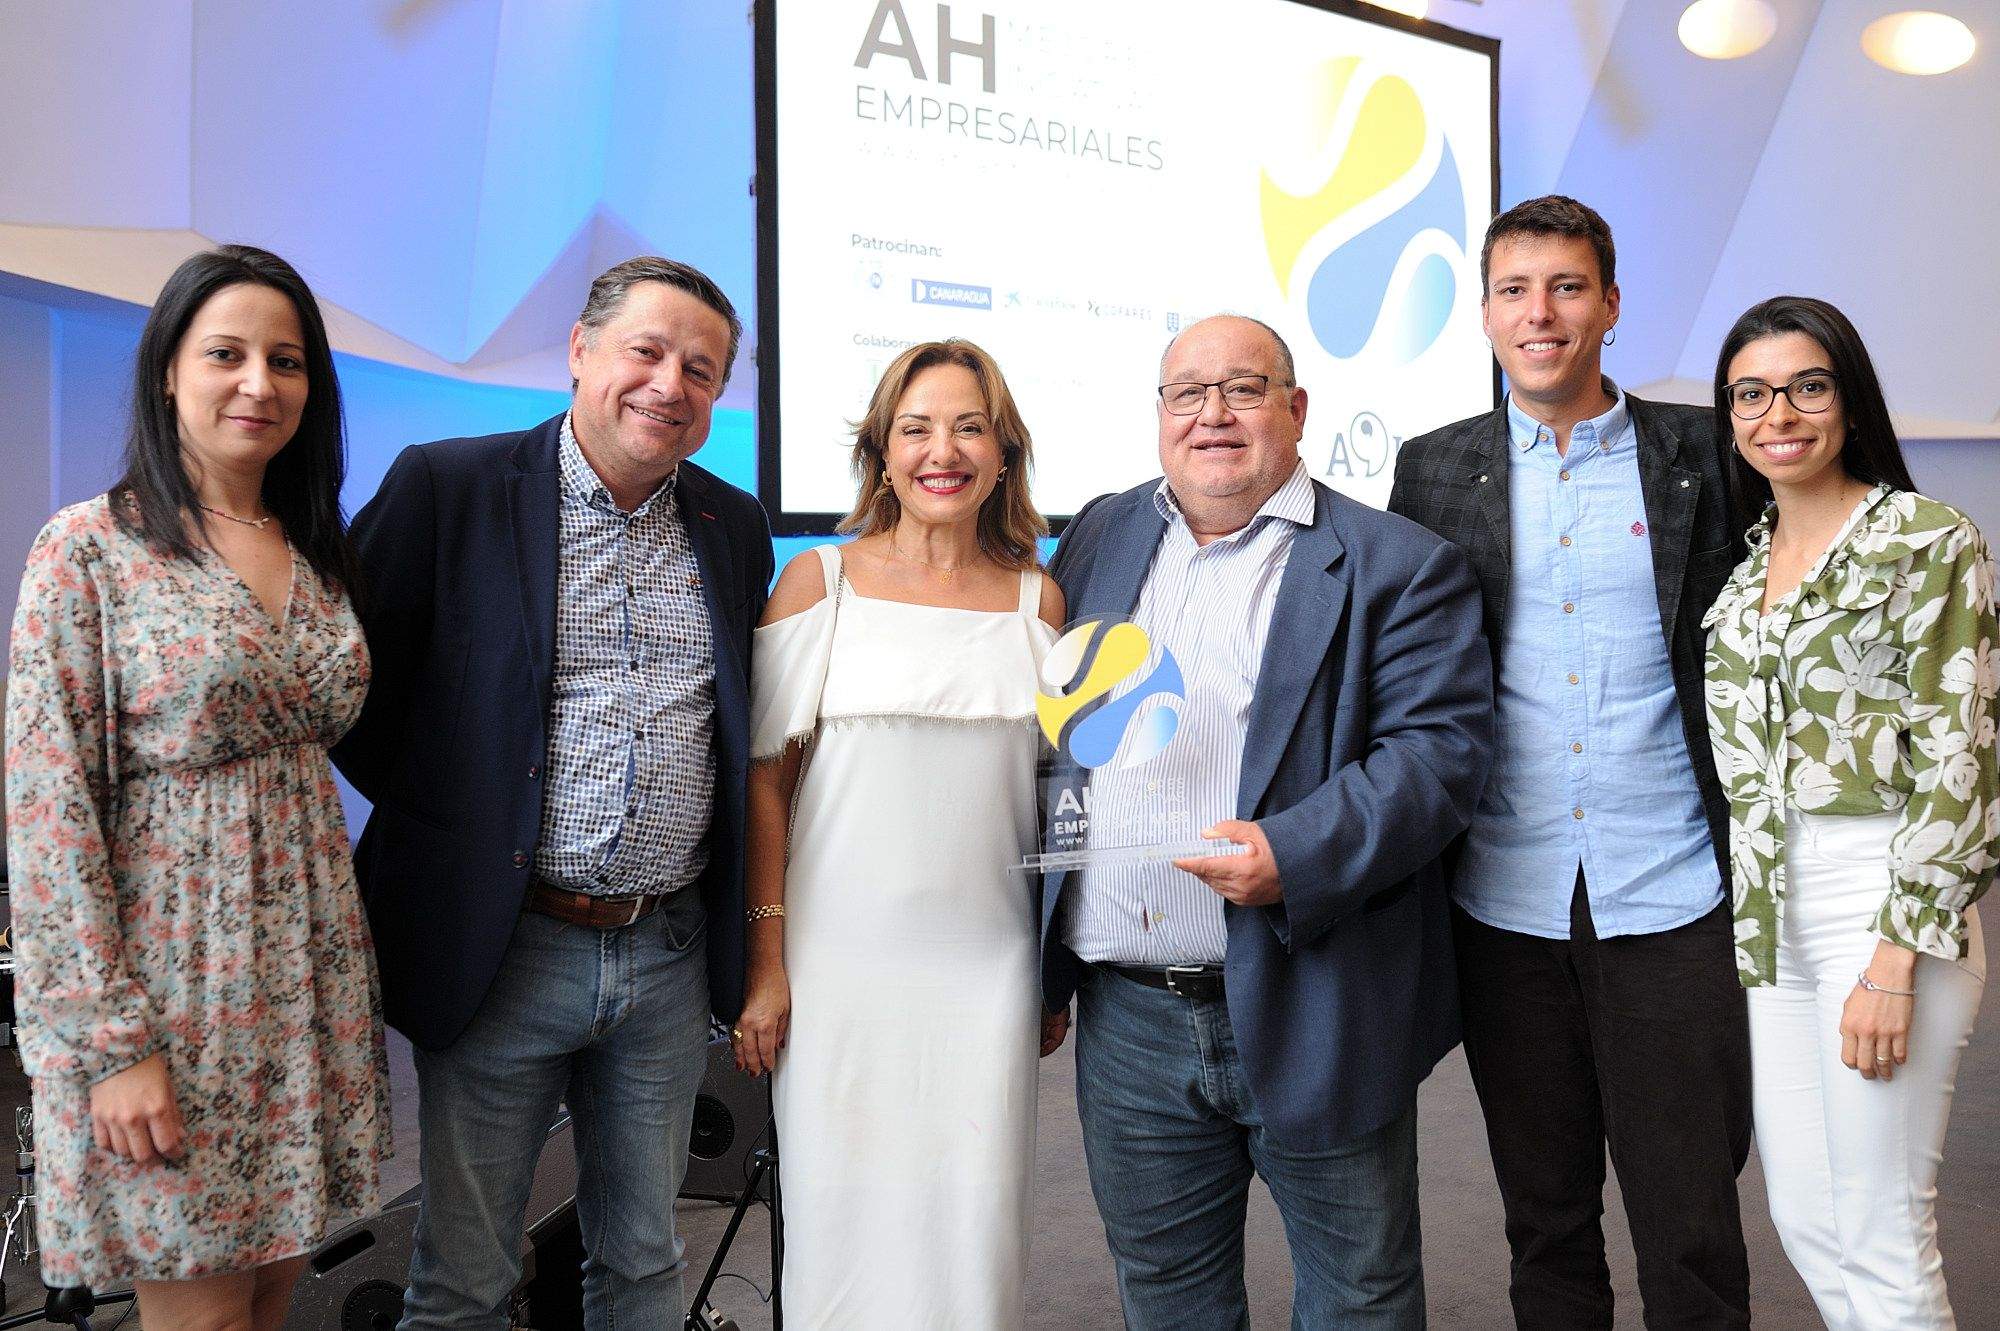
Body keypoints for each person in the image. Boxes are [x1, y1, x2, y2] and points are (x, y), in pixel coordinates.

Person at [332, 256, 771, 1330]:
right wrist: (470, 826)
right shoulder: (448, 487)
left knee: (643, 1260)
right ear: (580, 351)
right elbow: (352, 696)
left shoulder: (730, 522)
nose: (671, 384)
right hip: (503, 948)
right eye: (648, 351)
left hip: (665, 955)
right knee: (465, 1277)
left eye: (702, 369)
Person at [1040, 313, 1492, 1328]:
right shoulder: (1101, 533)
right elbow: (1058, 739)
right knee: (1165, 1296)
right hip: (1129, 1018)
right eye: (1185, 393)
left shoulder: (1393, 562)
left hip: (1314, 992)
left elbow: (1439, 754)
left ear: (1294, 410)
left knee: (1358, 1298)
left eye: (1242, 389)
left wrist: (1294, 851)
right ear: (1158, 415)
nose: (1212, 414)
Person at [4, 244, 386, 1329]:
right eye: (226, 353)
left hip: (306, 972)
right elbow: (48, 812)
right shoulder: (88, 549)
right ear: (167, 369)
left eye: (287, 360)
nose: (259, 382)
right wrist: (111, 1042)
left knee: (268, 1294)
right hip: (174, 985)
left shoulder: (313, 550)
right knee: (202, 1316)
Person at [1389, 195, 1753, 1328]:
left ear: (1607, 303)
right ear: (1486, 312)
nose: (1537, 312)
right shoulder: (1432, 469)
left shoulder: (1702, 451)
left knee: (1689, 1222)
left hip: (1674, 892)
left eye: (1563, 286)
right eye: (1512, 289)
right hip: (1504, 903)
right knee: (1542, 1221)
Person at [734, 339, 1064, 1327]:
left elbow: (1058, 799)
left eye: (968, 426)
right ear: (879, 453)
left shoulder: (1034, 601)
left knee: (974, 1235)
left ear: (1003, 454)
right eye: (915, 428)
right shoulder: (816, 584)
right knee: (843, 1235)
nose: (942, 450)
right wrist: (766, 962)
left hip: (987, 970)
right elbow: (765, 787)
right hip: (839, 971)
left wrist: (1055, 971)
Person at [1702, 296, 1991, 1328]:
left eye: (1804, 385)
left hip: (1883, 899)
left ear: (1847, 400)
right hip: (1771, 912)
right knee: (1809, 1215)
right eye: (1749, 392)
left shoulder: (1924, 538)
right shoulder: (1739, 580)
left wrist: (1892, 957)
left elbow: (1959, 759)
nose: (1776, 410)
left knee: (1877, 1222)